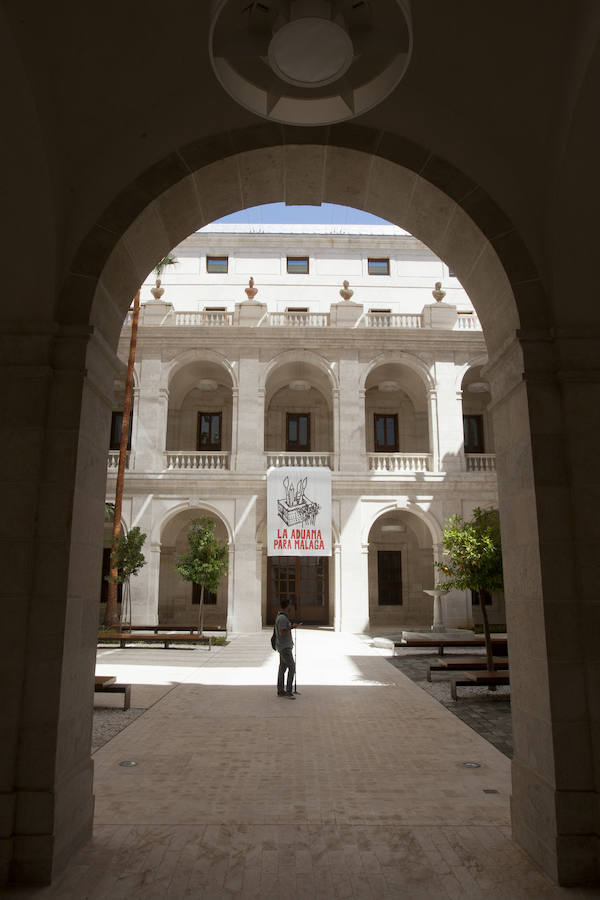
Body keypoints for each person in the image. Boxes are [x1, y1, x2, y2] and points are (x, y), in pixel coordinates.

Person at [275, 598, 296, 698]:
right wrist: (291, 627)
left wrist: (291, 626)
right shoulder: (282, 618)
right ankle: (288, 690)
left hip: (283, 646)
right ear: (287, 606)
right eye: (290, 606)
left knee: (282, 668)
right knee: (292, 667)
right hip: (285, 647)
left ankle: (280, 690)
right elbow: (282, 632)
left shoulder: (281, 617)